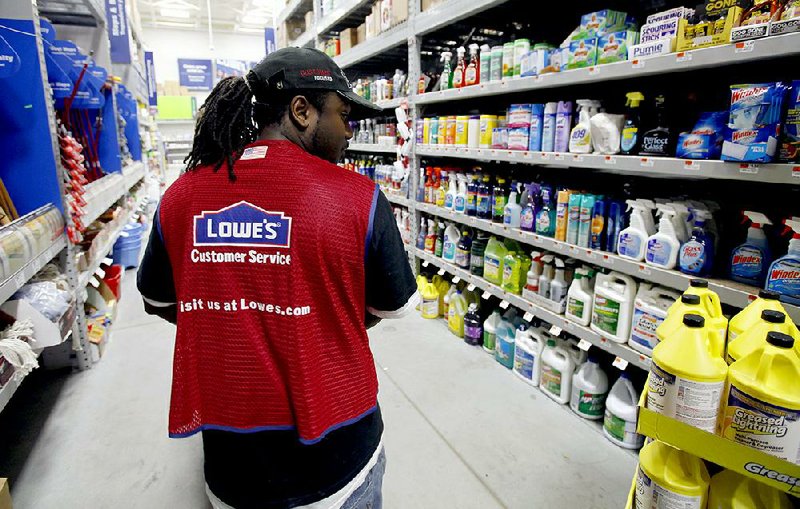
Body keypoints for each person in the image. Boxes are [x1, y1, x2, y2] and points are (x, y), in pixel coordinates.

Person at [137, 47, 419, 509]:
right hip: (339, 460)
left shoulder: (180, 198)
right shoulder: (358, 198)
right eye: (343, 115)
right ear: (301, 111)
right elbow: (394, 305)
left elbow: (159, 300)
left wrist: (230, 315)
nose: (349, 131)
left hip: (234, 468)